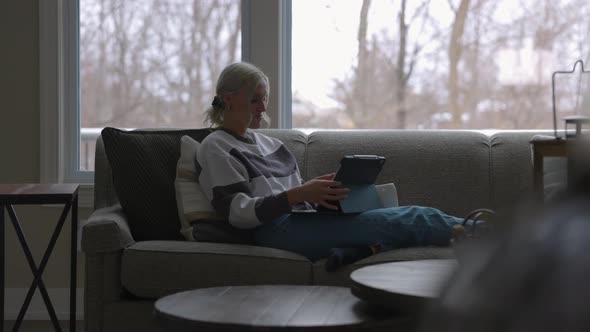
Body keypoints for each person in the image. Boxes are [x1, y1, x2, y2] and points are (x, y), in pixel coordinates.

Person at [197, 62, 467, 268]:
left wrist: (321, 197)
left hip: (299, 221)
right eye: (254, 99)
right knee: (415, 218)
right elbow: (238, 211)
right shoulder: (216, 146)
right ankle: (487, 232)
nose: (262, 107)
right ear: (228, 98)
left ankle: (357, 250)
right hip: (275, 231)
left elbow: (295, 201)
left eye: (264, 99)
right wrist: (301, 193)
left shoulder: (274, 146)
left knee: (388, 214)